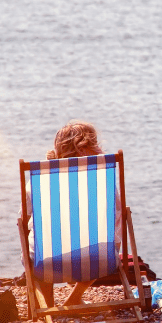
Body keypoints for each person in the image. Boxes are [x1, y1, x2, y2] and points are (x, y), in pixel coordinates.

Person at [23, 121, 114, 307]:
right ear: (91, 147)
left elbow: (23, 217)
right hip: (97, 258)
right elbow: (117, 212)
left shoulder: (42, 176)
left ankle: (48, 305)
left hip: (46, 260)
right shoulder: (101, 175)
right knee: (102, 238)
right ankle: (74, 298)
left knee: (42, 241)